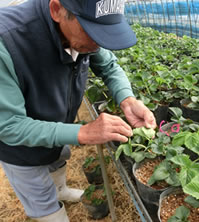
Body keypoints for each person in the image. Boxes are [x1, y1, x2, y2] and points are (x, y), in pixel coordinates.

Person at [0, 0, 156, 221]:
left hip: (55, 124)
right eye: (92, 31)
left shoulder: (85, 38)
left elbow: (110, 66)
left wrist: (127, 99)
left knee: (56, 160)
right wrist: (82, 133)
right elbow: (9, 126)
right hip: (20, 148)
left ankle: (61, 190)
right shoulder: (7, 40)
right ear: (57, 10)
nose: (97, 44)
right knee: (42, 200)